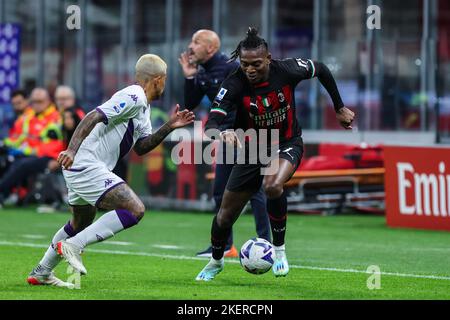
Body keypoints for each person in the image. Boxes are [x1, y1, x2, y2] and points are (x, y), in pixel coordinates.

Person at [195, 28, 355, 281]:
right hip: (254, 148)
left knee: (272, 185)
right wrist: (221, 134)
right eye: (245, 64)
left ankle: (279, 250)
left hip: (287, 142)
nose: (250, 69)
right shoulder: (234, 83)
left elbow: (321, 68)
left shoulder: (288, 70)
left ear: (268, 58)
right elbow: (212, 122)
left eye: (256, 64)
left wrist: (339, 107)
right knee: (225, 215)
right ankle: (216, 262)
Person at [27, 54, 195, 288]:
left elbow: (142, 146)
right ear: (157, 80)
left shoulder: (143, 107)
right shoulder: (133, 96)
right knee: (135, 209)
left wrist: (169, 126)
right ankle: (73, 246)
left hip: (85, 167)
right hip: (85, 164)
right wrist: (72, 150)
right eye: (164, 80)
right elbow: (93, 116)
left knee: (79, 223)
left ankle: (42, 271)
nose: (164, 84)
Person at [179, 29, 271, 258]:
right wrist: (190, 77)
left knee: (256, 190)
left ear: (211, 48)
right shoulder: (203, 73)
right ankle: (225, 245)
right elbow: (189, 104)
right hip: (226, 137)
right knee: (221, 191)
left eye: (196, 42)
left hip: (251, 132)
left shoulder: (232, 67)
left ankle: (267, 244)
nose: (191, 46)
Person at [0, 88, 64, 206]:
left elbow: (57, 144)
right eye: (34, 101)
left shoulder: (57, 117)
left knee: (22, 163)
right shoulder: (27, 117)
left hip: (50, 156)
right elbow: (17, 138)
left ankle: (3, 192)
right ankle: (8, 194)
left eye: (40, 101)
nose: (37, 104)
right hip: (28, 154)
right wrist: (5, 144)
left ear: (48, 101)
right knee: (7, 160)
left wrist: (30, 151)